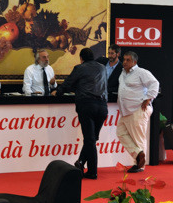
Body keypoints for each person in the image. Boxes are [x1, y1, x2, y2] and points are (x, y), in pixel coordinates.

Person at [55, 47, 107, 179]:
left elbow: (68, 83)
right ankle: (81, 162)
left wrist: (58, 91)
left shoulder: (80, 68)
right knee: (92, 138)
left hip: (87, 105)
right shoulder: (102, 68)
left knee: (90, 139)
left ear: (81, 58)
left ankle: (92, 171)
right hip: (102, 107)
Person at [116, 51, 159, 173]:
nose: (124, 62)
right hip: (126, 111)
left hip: (138, 109)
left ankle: (139, 165)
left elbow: (155, 83)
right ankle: (138, 154)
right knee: (120, 133)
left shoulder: (141, 72)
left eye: (128, 60)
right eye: (124, 59)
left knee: (138, 138)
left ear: (134, 62)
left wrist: (148, 98)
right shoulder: (123, 73)